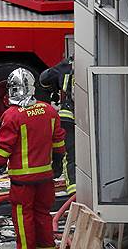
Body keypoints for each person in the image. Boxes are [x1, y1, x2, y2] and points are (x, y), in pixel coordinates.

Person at [0, 68, 66, 249]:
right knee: (43, 214)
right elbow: (58, 141)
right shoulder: (48, 110)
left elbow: (4, 148)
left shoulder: (12, 115)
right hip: (45, 177)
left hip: (22, 180)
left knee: (23, 219)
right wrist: (57, 162)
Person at [39, 58, 75, 195]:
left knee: (70, 156)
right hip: (89, 118)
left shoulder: (66, 66)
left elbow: (44, 78)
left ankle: (73, 192)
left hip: (68, 117)